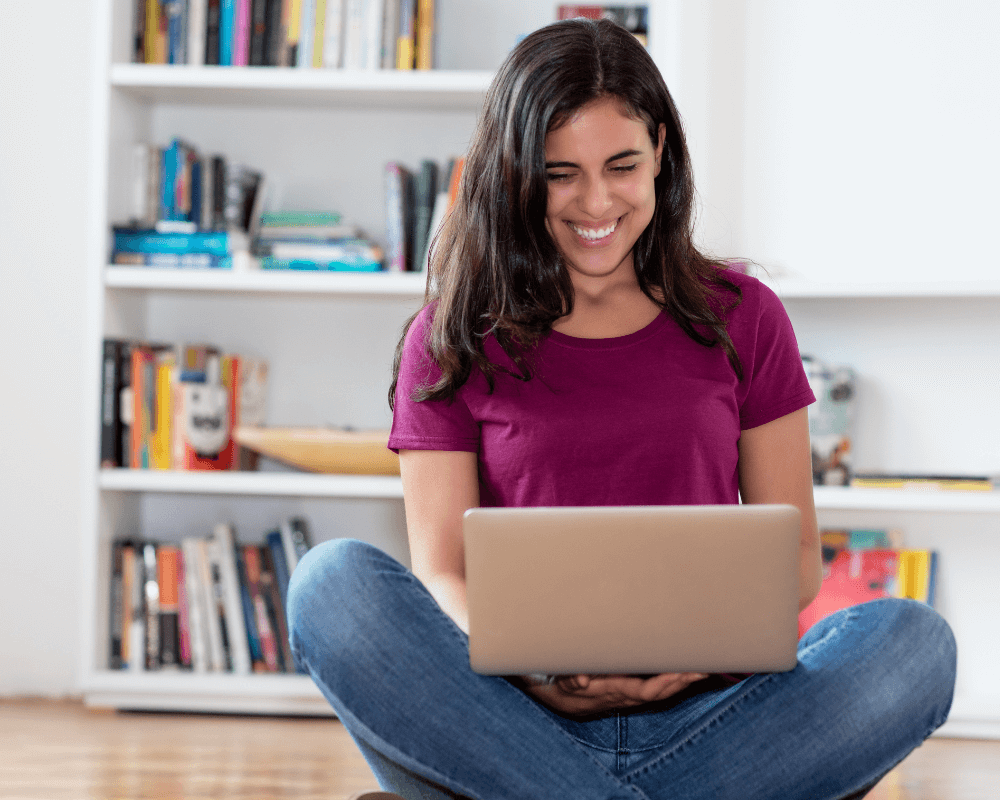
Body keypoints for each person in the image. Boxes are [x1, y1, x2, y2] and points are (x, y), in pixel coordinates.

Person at [287, 17, 956, 800]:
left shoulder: (746, 316)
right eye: (559, 172)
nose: (595, 201)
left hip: (715, 715)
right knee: (330, 585)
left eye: (622, 165)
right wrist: (542, 665)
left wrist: (693, 654)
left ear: (662, 154)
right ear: (513, 173)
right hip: (512, 716)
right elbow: (443, 572)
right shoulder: (448, 338)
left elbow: (798, 555)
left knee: (912, 643)